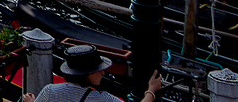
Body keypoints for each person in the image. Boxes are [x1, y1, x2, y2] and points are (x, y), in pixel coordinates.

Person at [22, 45, 160, 102]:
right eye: (99, 70)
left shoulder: (49, 91)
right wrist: (151, 90)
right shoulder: (103, 99)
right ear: (88, 74)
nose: (103, 73)